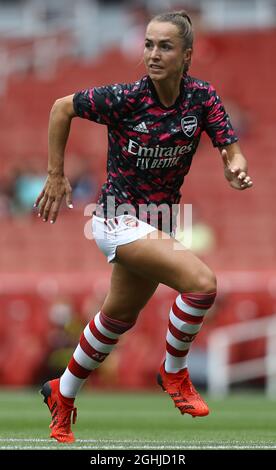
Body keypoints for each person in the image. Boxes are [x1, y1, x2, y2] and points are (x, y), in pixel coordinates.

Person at [35, 10, 253, 443]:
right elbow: (61, 108)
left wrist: (236, 167)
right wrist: (56, 174)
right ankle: (173, 373)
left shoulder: (202, 98)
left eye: (165, 46)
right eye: (149, 44)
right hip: (115, 218)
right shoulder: (124, 97)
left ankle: (63, 390)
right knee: (202, 283)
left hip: (159, 223)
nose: (153, 54)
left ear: (186, 55)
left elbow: (232, 149)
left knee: (117, 317)